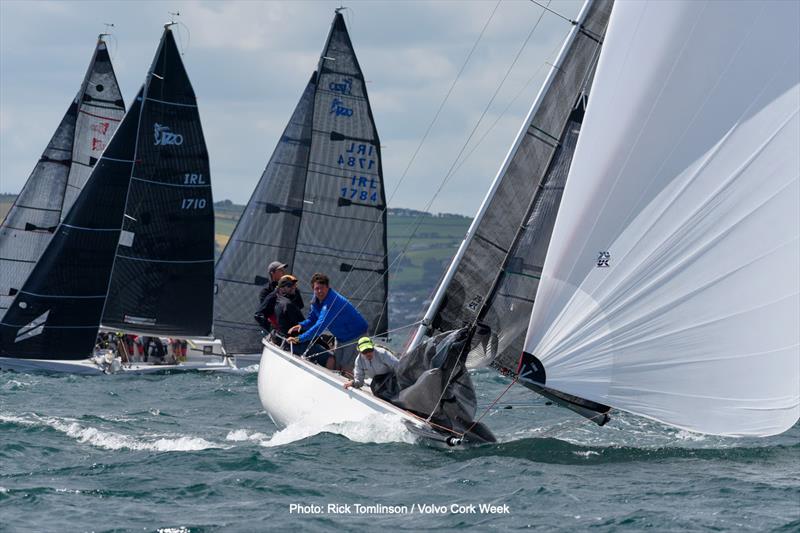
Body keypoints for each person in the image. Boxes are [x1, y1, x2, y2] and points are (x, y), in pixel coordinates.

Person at [287, 272, 368, 372]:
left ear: (328, 287)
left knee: (346, 370)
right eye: (317, 288)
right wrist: (301, 325)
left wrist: (299, 339)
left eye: (322, 287)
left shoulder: (331, 302)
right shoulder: (316, 301)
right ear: (313, 289)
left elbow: (320, 326)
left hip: (355, 336)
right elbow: (312, 319)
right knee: (336, 367)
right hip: (341, 337)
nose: (320, 291)